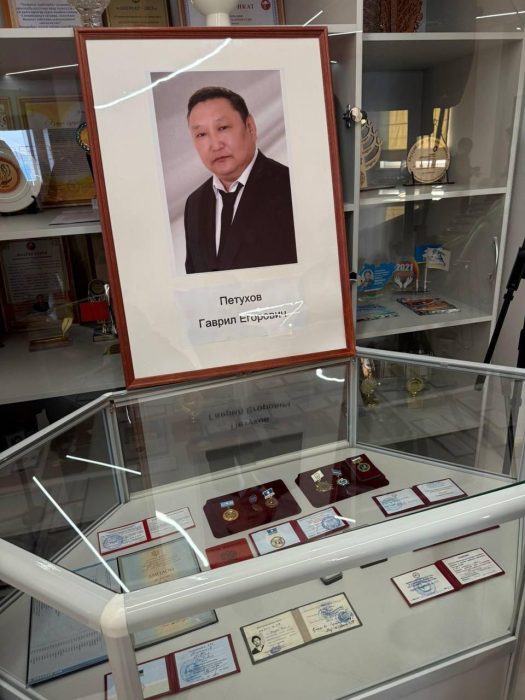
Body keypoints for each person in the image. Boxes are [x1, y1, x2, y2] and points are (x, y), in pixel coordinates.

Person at [184, 86, 297, 274]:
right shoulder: (194, 204)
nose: (215, 145)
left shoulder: (290, 187)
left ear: (250, 127)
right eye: (201, 134)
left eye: (222, 128)